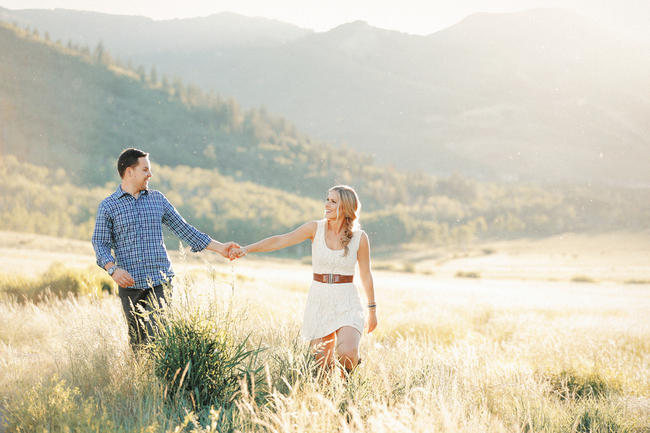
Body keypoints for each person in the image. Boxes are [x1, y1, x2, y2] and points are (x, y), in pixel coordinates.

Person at [92, 148, 238, 349]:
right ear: (129, 171)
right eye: (145, 170)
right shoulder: (108, 207)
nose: (150, 175)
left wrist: (220, 248)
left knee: (158, 337)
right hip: (129, 286)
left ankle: (163, 379)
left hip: (160, 282)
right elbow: (100, 243)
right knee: (137, 344)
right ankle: (141, 380)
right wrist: (112, 269)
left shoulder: (157, 199)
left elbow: (185, 230)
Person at [230, 185, 377, 373]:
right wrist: (246, 249)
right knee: (320, 367)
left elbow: (366, 274)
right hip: (320, 298)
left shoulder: (359, 238)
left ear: (346, 206)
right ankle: (331, 397)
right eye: (327, 199)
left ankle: (349, 383)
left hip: (347, 300)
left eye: (333, 201)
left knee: (347, 353)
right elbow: (281, 240)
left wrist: (372, 309)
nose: (327, 204)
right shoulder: (314, 228)